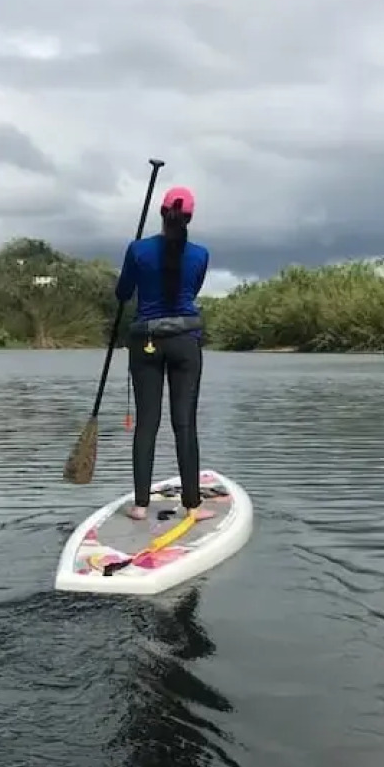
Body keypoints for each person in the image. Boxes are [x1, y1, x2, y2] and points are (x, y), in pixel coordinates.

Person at [113, 185, 212, 522]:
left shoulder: (138, 250)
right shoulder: (201, 254)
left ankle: (141, 505)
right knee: (185, 424)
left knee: (147, 424)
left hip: (146, 342)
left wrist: (138, 261)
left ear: (162, 213)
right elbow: (191, 290)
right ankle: (193, 506)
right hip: (185, 341)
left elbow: (123, 292)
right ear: (189, 217)